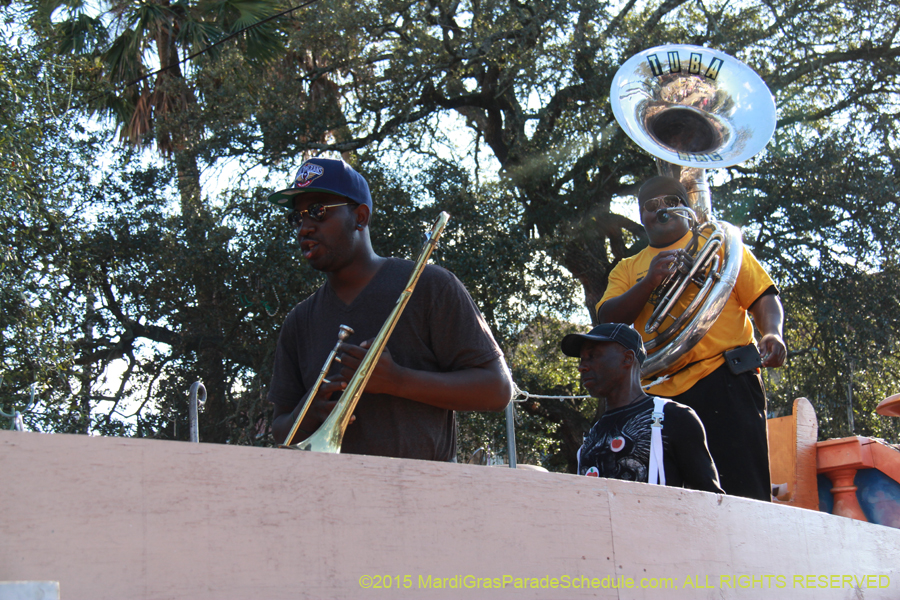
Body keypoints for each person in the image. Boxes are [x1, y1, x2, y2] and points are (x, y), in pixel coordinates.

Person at [266, 157, 512, 461]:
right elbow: (280, 428)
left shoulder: (430, 285)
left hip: (425, 496)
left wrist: (397, 380)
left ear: (360, 216)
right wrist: (309, 412)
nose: (304, 228)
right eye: (297, 218)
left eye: (318, 211)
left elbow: (498, 390)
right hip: (330, 499)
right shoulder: (298, 322)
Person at [596, 175, 786, 501]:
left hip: (725, 381)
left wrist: (772, 332)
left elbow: (763, 296)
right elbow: (607, 320)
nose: (662, 211)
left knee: (744, 495)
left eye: (672, 202)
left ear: (686, 207)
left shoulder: (719, 243)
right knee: (669, 502)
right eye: (652, 207)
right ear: (641, 216)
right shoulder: (627, 268)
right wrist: (650, 282)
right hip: (659, 397)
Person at [561, 323, 723, 493]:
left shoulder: (673, 417)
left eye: (592, 356)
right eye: (582, 359)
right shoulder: (591, 437)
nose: (582, 367)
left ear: (628, 358)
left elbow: (710, 502)